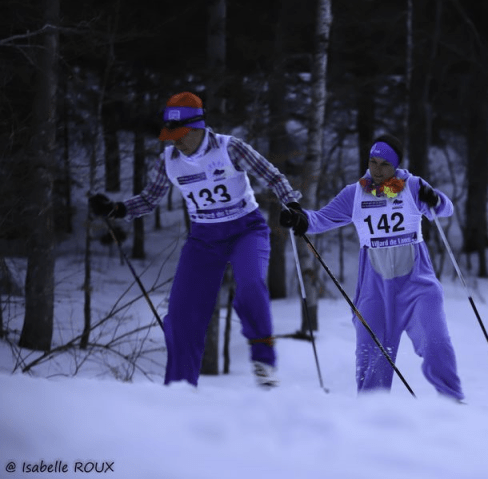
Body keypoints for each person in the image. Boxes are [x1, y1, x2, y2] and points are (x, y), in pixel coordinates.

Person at [89, 91, 305, 388]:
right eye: (170, 134)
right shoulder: (169, 160)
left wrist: (291, 205)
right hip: (204, 238)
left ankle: (263, 361)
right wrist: (118, 209)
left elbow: (274, 177)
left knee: (251, 284)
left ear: (198, 127)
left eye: (180, 134)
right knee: (180, 315)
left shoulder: (231, 148)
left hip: (246, 230)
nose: (174, 140)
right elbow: (150, 199)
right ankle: (179, 387)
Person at [280, 134, 464, 401]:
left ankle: (453, 403)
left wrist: (435, 198)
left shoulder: (412, 186)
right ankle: (371, 419)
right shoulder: (354, 194)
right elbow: (320, 219)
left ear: (396, 165)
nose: (377, 170)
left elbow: (445, 209)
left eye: (384, 164)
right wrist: (299, 219)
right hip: (375, 289)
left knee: (436, 343)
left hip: (417, 285)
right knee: (371, 356)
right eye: (372, 162)